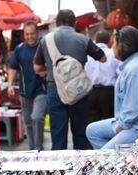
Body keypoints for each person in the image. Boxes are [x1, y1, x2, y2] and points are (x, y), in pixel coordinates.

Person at [33, 9, 106, 150]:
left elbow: (36, 67)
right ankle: (81, 168)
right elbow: (103, 58)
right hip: (78, 90)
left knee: (58, 135)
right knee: (80, 134)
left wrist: (54, 69)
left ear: (56, 22)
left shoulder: (46, 40)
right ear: (75, 23)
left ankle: (60, 169)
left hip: (55, 89)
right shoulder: (83, 39)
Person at [86, 26, 138, 149]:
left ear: (124, 46)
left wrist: (121, 127)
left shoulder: (136, 69)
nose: (113, 47)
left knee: (103, 155)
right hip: (134, 122)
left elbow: (133, 109)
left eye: (115, 44)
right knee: (92, 130)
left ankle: (113, 163)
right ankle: (117, 161)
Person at [8, 22, 47, 151]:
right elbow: (13, 68)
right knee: (28, 122)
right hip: (25, 91)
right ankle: (32, 150)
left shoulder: (44, 46)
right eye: (27, 34)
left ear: (37, 33)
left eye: (32, 34)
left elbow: (52, 65)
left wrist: (45, 71)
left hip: (41, 90)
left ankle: (39, 148)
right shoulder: (19, 49)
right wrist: (9, 85)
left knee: (37, 117)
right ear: (24, 35)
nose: (30, 36)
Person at [84, 30, 120, 123]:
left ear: (96, 40)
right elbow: (119, 73)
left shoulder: (88, 55)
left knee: (92, 122)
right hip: (109, 92)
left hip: (92, 91)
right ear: (109, 41)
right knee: (110, 122)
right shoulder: (113, 54)